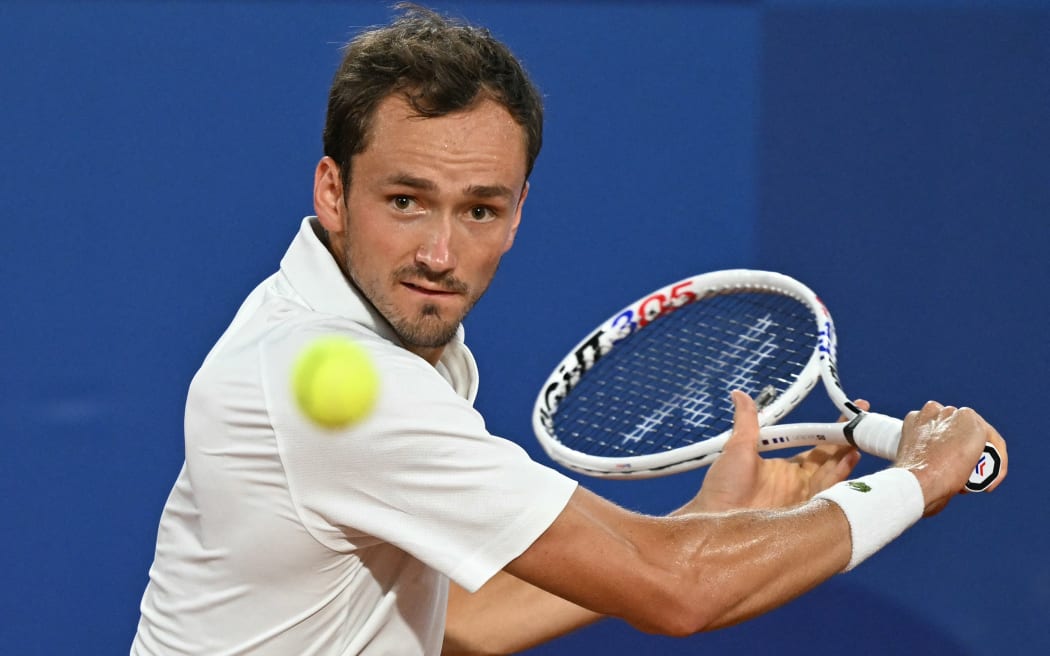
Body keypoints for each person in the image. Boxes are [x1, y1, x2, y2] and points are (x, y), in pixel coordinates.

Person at [131, 5, 1008, 655]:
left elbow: (456, 622)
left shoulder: (384, 328)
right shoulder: (333, 383)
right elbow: (680, 590)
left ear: (516, 217)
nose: (441, 251)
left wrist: (704, 516)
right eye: (405, 201)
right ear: (333, 191)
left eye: (480, 208)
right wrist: (919, 482)